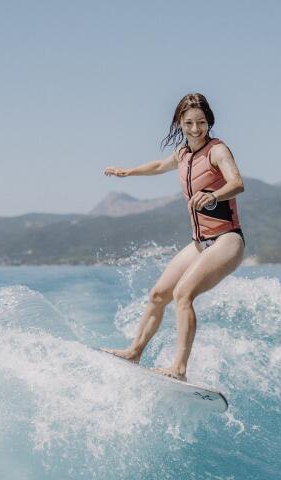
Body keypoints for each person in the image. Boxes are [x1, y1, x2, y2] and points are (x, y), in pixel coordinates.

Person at [102, 93, 245, 381]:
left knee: (183, 294)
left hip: (227, 239)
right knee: (158, 295)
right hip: (199, 243)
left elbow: (237, 183)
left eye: (201, 122)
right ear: (180, 123)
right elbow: (158, 166)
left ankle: (179, 368)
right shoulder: (183, 154)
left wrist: (213, 195)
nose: (195, 129)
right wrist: (128, 172)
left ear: (209, 121)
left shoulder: (217, 151)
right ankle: (134, 352)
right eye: (189, 123)